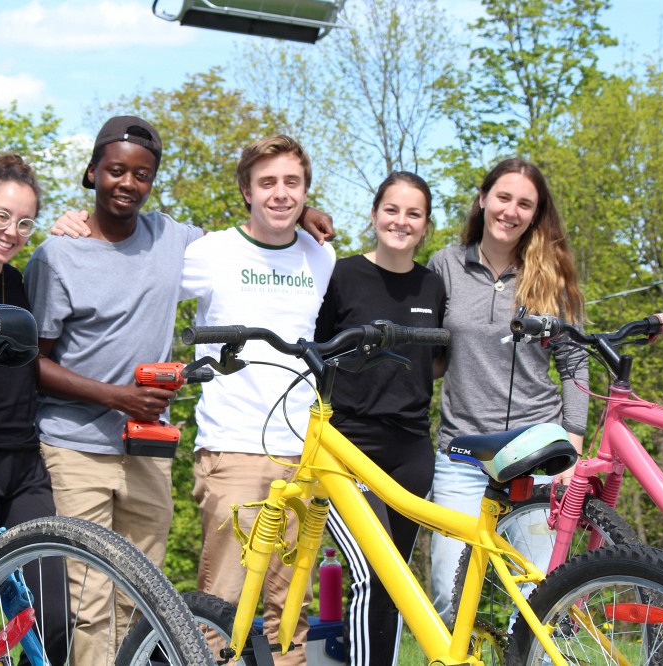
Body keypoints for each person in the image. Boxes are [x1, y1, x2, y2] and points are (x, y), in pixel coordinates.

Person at [25, 115, 203, 664]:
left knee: (141, 597)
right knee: (91, 600)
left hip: (146, 448)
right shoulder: (58, 255)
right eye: (116, 171)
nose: (128, 183)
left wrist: (302, 217)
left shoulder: (171, 238)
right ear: (92, 173)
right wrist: (115, 396)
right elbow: (32, 363)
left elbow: (248, 242)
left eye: (141, 175)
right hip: (74, 447)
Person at [181, 135, 336, 666]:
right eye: (267, 183)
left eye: (292, 183)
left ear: (306, 190)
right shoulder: (210, 253)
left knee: (289, 611)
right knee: (222, 608)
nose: (280, 193)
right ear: (246, 191)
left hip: (302, 454)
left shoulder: (321, 256)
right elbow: (141, 281)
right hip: (233, 449)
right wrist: (85, 226)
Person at [427, 158, 588, 624]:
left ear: (536, 215)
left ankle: (528, 655)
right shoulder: (445, 266)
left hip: (537, 454)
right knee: (448, 595)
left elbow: (574, 362)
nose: (510, 211)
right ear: (483, 199)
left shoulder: (552, 275)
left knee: (541, 600)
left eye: (524, 204)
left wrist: (572, 449)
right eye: (503, 197)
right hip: (463, 455)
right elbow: (433, 357)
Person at [313, 172, 446, 666]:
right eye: (391, 210)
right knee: (372, 574)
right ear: (374, 215)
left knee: (396, 582)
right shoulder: (343, 275)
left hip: (411, 450)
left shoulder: (433, 285)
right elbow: (318, 351)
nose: (400, 221)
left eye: (413, 213)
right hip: (348, 448)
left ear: (426, 225)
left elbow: (437, 362)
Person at [0, 153, 67, 664]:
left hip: (25, 465)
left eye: (25, 222)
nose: (12, 231)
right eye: (2, 216)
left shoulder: (20, 281)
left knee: (51, 618)